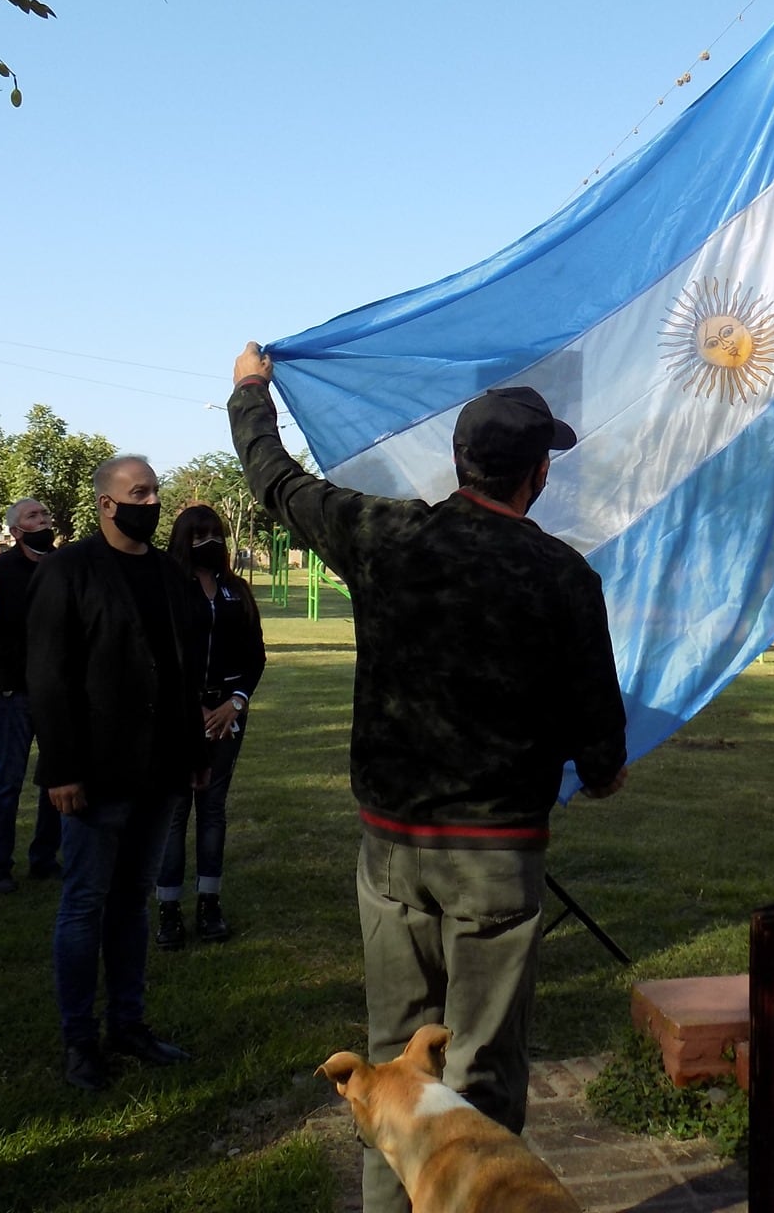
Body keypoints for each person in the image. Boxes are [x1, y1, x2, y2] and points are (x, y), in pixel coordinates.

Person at [228, 344, 629, 1213]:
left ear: (458, 462)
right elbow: (601, 741)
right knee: (481, 1074)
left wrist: (250, 392)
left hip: (392, 851)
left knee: (389, 1067)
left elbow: (275, 481)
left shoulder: (385, 538)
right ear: (540, 474)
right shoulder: (563, 577)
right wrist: (599, 774)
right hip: (498, 857)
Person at [28, 456, 205, 1091]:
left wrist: (194, 760)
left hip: (160, 772)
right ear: (107, 504)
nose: (152, 501)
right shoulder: (68, 571)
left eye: (155, 491)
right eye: (140, 491)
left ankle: (128, 1023)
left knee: (132, 902)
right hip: (95, 775)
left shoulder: (170, 575)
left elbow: (186, 673)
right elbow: (48, 676)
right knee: (84, 903)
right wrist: (63, 769)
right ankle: (80, 1041)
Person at [155, 504, 267, 949]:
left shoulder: (236, 591)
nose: (209, 541)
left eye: (215, 533)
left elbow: (254, 657)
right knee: (175, 813)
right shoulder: (166, 588)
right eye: (199, 534)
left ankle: (209, 904)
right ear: (183, 538)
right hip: (178, 719)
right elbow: (157, 658)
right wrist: (188, 711)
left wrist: (234, 704)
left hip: (227, 717)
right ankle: (167, 910)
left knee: (213, 810)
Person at [0, 498, 62, 893]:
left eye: (45, 515)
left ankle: (44, 859)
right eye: (33, 516)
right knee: (8, 781)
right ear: (15, 531)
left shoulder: (63, 566)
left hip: (56, 693)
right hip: (13, 694)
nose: (42, 521)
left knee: (57, 780)